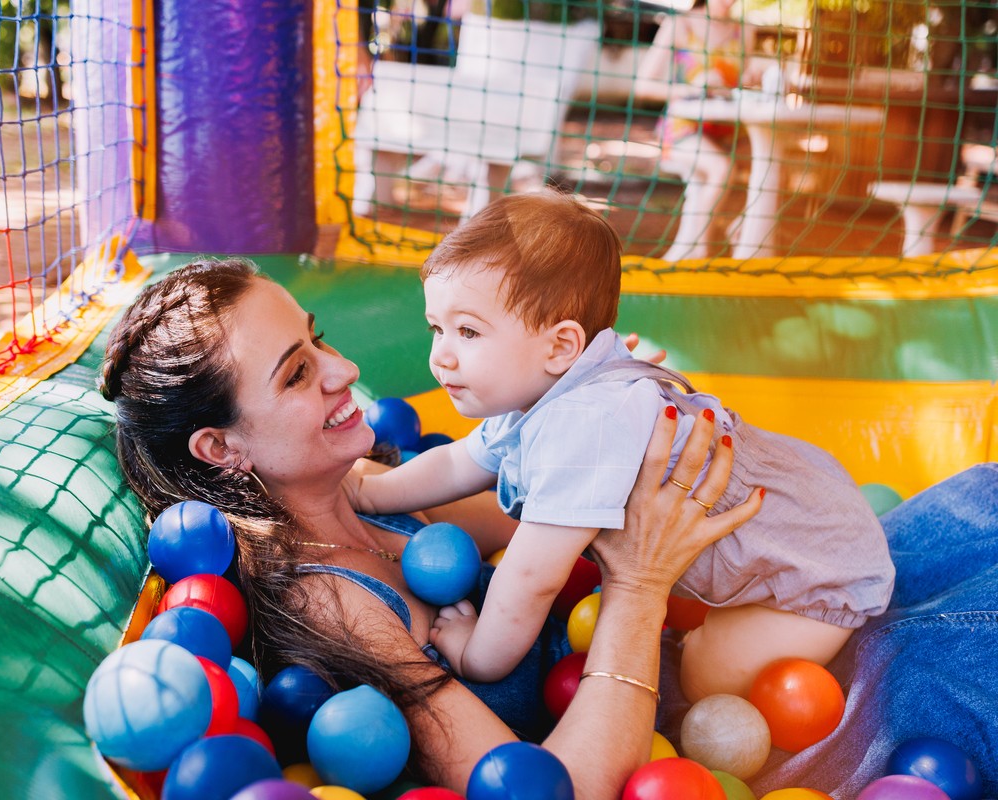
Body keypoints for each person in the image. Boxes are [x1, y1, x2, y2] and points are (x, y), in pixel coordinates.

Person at [98, 257, 762, 797]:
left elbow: (553, 509)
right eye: (298, 373)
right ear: (220, 448)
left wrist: (582, 409)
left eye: (317, 337)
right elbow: (557, 790)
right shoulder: (330, 602)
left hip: (693, 701)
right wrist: (640, 589)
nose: (344, 371)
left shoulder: (373, 489)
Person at [347, 192, 894, 703]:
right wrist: (371, 493)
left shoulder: (585, 423)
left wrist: (478, 655)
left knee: (702, 678)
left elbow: (532, 578)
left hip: (815, 572)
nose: (440, 356)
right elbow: (459, 459)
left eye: (467, 333)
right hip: (807, 502)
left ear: (562, 344)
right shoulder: (542, 383)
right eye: (435, 328)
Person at [634, 0, 755, 261]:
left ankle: (741, 226)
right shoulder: (680, 23)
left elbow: (739, 87)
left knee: (772, 162)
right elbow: (642, 86)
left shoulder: (745, 31)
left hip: (727, 129)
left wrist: (750, 80)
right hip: (681, 128)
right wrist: (690, 89)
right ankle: (697, 248)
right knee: (722, 168)